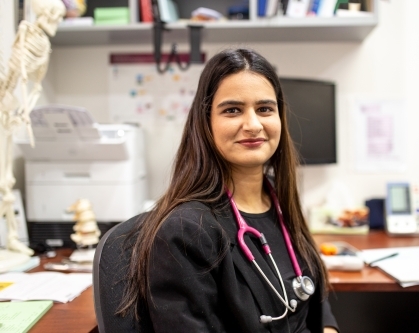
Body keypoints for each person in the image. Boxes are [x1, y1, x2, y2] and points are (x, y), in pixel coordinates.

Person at [118, 48, 340, 333]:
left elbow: (316, 301)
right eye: (232, 110)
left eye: (264, 109)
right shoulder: (186, 232)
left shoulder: (278, 199)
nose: (253, 125)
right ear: (206, 123)